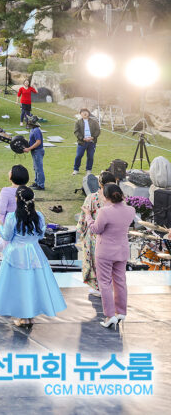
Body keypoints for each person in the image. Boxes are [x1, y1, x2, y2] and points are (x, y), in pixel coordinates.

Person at [0, 186, 67, 327]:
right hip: (34, 253)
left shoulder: (13, 217)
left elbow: (6, 236)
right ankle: (30, 315)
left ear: (17, 199)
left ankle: (22, 317)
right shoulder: (39, 216)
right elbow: (41, 234)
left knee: (19, 286)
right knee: (32, 284)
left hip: (16, 254)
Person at [83, 182, 135, 328]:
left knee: (105, 283)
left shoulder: (105, 212)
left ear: (106, 196)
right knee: (120, 281)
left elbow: (95, 229)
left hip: (105, 252)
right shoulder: (130, 210)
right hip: (122, 250)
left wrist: (88, 216)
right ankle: (121, 312)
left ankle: (110, 315)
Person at [77, 170, 114, 298]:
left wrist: (82, 231)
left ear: (100, 183)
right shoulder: (119, 198)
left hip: (95, 236)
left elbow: (83, 218)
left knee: (95, 262)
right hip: (112, 236)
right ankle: (110, 286)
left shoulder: (92, 197)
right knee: (110, 263)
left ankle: (98, 288)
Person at [73, 108, 100, 175]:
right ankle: (76, 169)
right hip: (82, 142)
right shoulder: (78, 122)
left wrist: (93, 137)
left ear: (88, 113)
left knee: (90, 156)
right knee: (78, 156)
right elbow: (76, 131)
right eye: (83, 112)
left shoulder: (94, 122)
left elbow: (98, 130)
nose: (85, 113)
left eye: (86, 112)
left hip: (92, 142)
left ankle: (88, 170)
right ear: (81, 114)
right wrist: (82, 138)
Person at [26, 115, 45, 189]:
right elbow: (32, 141)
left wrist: (29, 148)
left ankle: (41, 185)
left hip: (38, 151)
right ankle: (37, 182)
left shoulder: (36, 130)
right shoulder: (32, 130)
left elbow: (38, 142)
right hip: (34, 151)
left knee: (39, 168)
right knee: (36, 167)